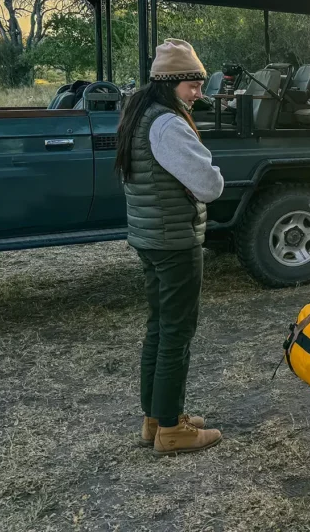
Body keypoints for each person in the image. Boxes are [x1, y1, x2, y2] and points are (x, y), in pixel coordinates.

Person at [114, 39, 225, 456]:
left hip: (149, 237)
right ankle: (172, 431)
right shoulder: (169, 125)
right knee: (176, 333)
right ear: (168, 82)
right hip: (174, 241)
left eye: (198, 84)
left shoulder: (139, 114)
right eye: (191, 85)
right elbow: (210, 185)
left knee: (159, 329)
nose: (198, 93)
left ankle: (156, 419)